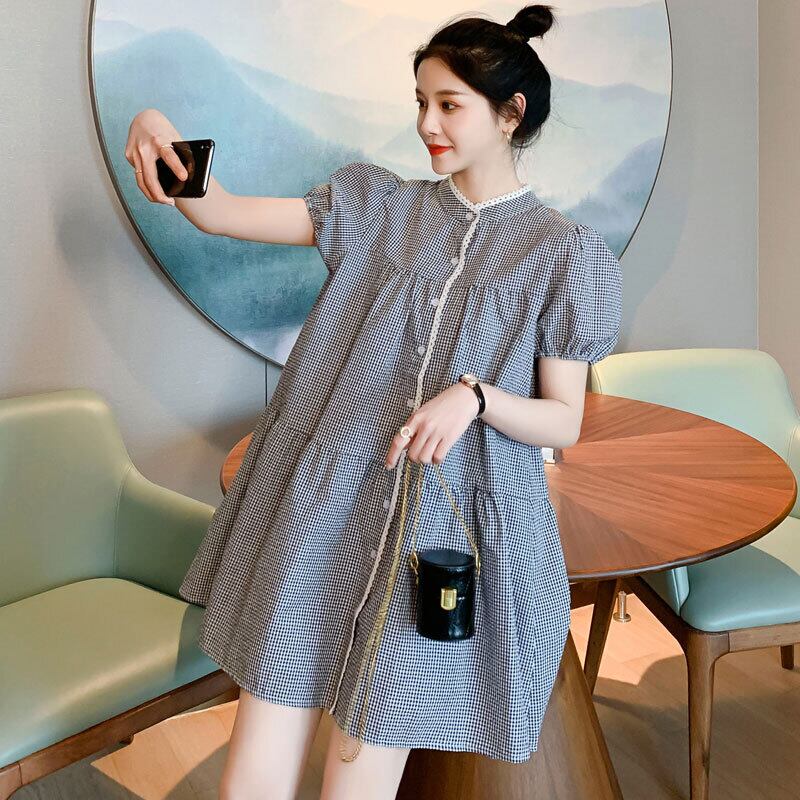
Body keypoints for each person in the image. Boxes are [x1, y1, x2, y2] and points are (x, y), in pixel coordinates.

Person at [124, 4, 622, 798]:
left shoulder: (564, 256)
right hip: (324, 513)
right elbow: (220, 213)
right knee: (256, 762)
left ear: (510, 114)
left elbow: (564, 420)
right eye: (421, 101)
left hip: (439, 542)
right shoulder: (379, 208)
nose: (427, 123)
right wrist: (157, 129)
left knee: (358, 776)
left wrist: (478, 398)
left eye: (449, 104)